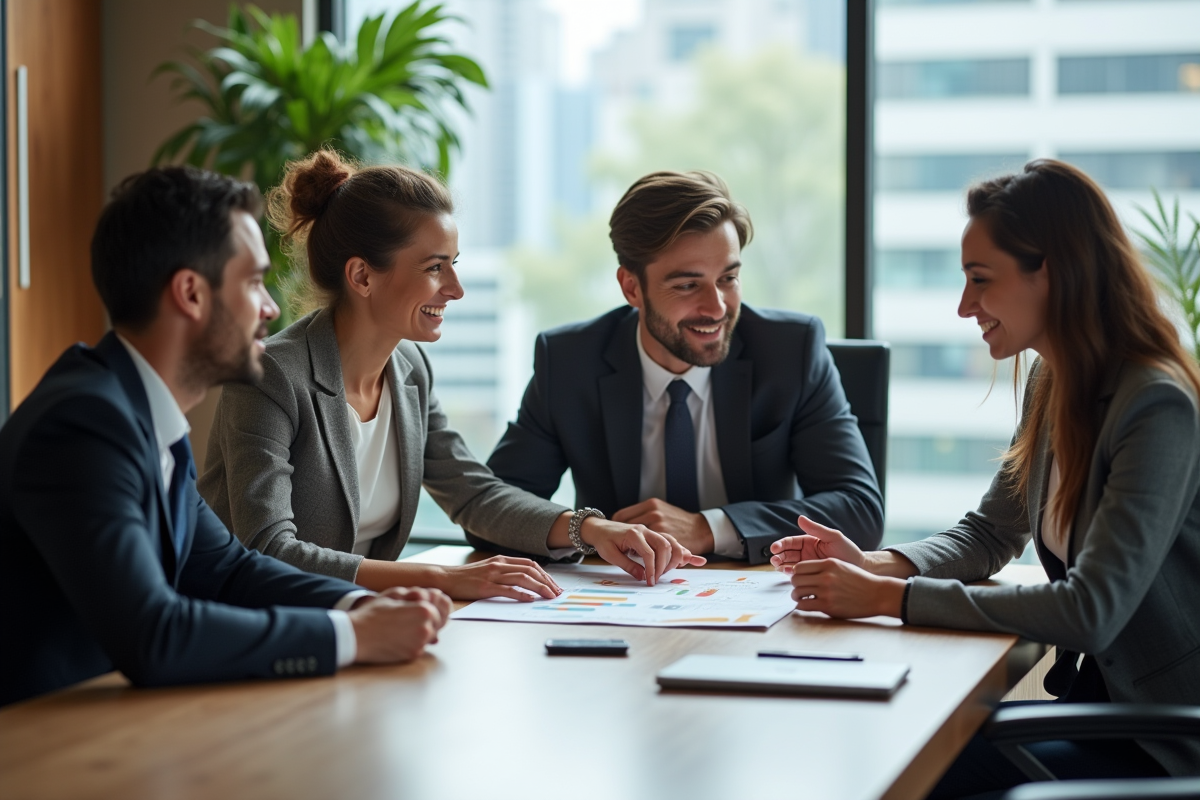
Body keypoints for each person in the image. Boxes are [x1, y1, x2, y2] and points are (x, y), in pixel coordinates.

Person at [770, 159, 1200, 786]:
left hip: (1163, 737)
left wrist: (892, 599)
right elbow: (990, 534)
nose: (964, 305)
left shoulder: (1154, 405)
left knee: (916, 763)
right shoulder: (1053, 380)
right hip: (1105, 707)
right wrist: (875, 564)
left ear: (1050, 273)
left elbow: (1092, 611)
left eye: (980, 279)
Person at [0, 167, 454, 708]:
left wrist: (358, 605)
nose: (268, 308)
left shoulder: (139, 413)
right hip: (38, 745)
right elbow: (154, 634)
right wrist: (353, 637)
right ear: (191, 293)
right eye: (253, 282)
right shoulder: (83, 426)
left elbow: (228, 570)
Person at [201, 151, 703, 599]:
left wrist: (589, 529)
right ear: (362, 276)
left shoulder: (409, 371)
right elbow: (267, 549)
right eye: (435, 267)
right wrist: (439, 578)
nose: (456, 289)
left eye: (454, 265)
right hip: (253, 624)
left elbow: (473, 493)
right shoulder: (271, 375)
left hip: (356, 620)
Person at [484, 170, 883, 565]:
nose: (717, 308)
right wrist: (587, 529)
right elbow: (488, 509)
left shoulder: (790, 351)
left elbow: (859, 509)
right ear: (632, 288)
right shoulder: (570, 361)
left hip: (759, 603)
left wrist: (708, 528)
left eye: (728, 278)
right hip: (620, 599)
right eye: (688, 285)